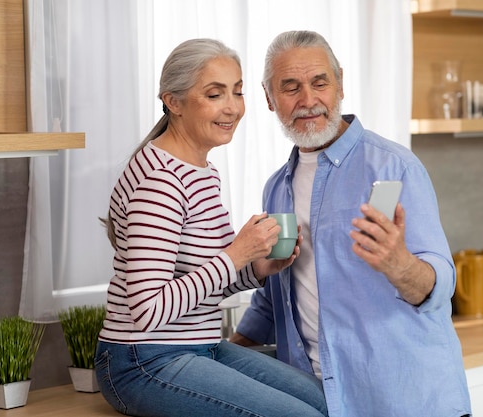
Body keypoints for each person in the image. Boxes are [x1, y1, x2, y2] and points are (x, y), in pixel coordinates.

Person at [230, 30, 472, 417]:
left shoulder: (394, 168)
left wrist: (400, 265)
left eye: (319, 83)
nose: (308, 101)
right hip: (321, 400)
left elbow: (439, 284)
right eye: (290, 87)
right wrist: (219, 355)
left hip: (406, 400)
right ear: (269, 98)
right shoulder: (276, 189)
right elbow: (275, 298)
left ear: (339, 82)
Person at [95, 38, 328, 417]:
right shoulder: (160, 181)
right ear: (173, 101)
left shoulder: (203, 172)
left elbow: (203, 279)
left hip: (199, 345)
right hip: (142, 360)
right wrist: (236, 254)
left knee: (324, 401)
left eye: (237, 91)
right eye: (215, 94)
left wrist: (256, 267)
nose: (233, 107)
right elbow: (147, 309)